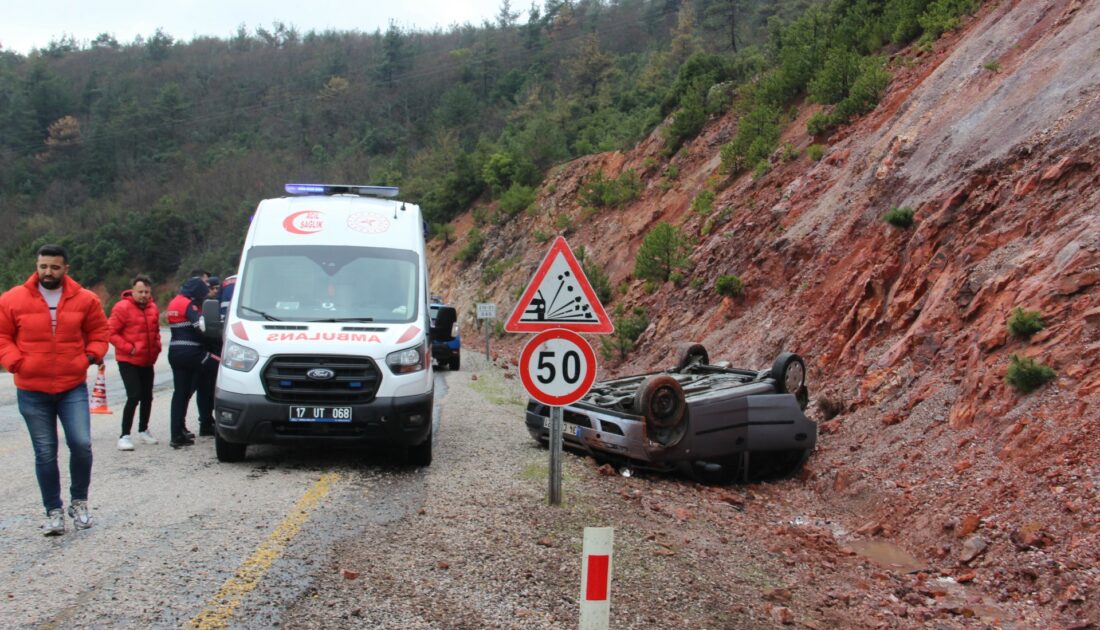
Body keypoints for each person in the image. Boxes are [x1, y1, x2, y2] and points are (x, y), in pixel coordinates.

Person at [0, 244, 109, 536]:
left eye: (55, 267)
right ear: (37, 266)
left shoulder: (86, 299)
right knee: (45, 452)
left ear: (65, 269)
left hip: (71, 386)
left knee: (82, 444)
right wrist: (14, 361)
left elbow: (100, 333)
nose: (48, 272)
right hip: (32, 389)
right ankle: (53, 511)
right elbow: (2, 335)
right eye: (43, 266)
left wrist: (89, 357)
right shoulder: (12, 299)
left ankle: (79, 503)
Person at [108, 275, 162, 450]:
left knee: (147, 396)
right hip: (128, 360)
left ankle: (143, 429)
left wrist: (157, 346)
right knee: (134, 395)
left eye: (147, 291)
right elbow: (110, 332)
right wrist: (129, 348)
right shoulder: (122, 308)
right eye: (140, 292)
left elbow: (156, 331)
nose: (144, 295)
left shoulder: (153, 308)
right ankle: (124, 435)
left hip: (147, 359)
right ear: (132, 291)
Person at [165, 277, 211, 448]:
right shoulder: (188, 304)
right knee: (218, 368)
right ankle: (208, 421)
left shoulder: (174, 302)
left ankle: (177, 432)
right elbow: (201, 326)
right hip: (191, 353)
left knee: (180, 393)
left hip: (175, 353)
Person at [196, 275, 221, 436]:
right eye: (213, 288)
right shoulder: (201, 305)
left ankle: (208, 420)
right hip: (206, 353)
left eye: (218, 288)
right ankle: (205, 422)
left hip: (215, 351)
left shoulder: (216, 304)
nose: (216, 291)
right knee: (204, 389)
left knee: (211, 388)